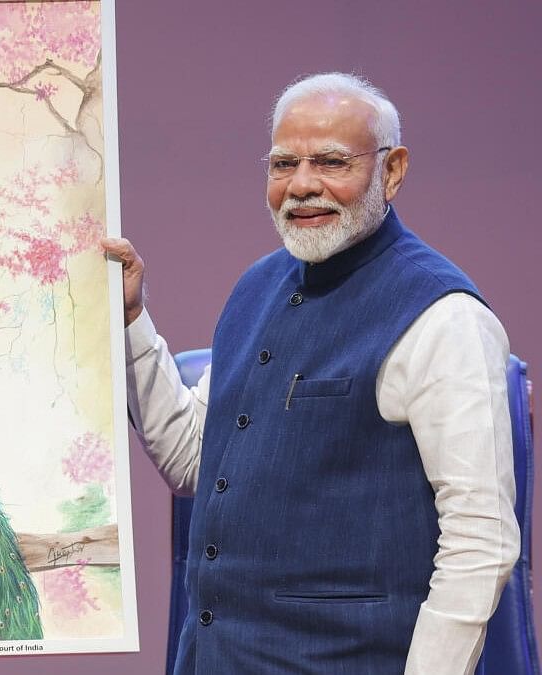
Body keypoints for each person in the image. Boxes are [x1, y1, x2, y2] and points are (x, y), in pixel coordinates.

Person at [103, 72, 519, 674]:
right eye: (282, 165)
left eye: (330, 162)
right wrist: (131, 320)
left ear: (392, 171)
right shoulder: (256, 288)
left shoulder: (443, 317)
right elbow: (197, 460)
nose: (301, 186)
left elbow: (481, 543)